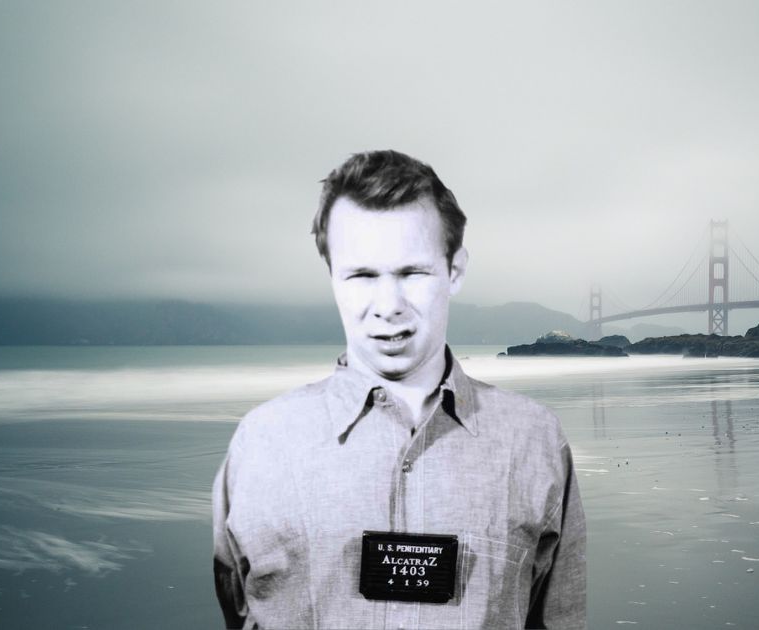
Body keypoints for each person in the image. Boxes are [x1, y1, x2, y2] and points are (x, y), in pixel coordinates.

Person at [212, 150, 586, 629]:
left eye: (412, 272)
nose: (388, 306)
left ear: (454, 270)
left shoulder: (534, 439)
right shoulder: (262, 441)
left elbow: (560, 617)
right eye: (362, 275)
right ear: (332, 277)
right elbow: (236, 608)